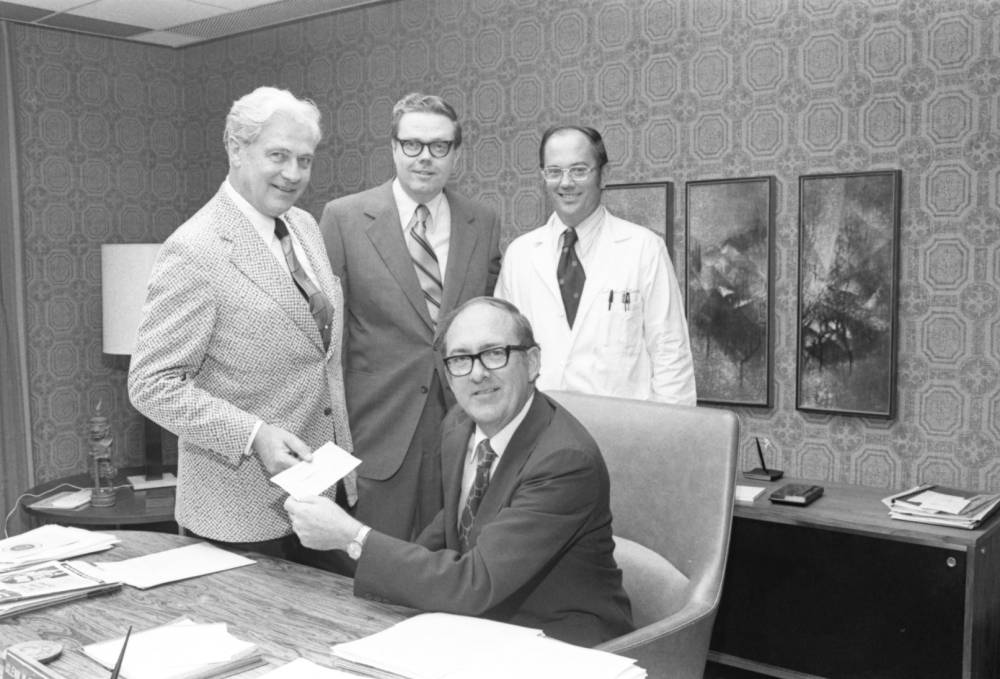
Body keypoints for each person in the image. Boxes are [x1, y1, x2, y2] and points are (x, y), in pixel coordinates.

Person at [285, 297, 634, 647]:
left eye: (495, 353)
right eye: (461, 359)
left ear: (531, 362)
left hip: (564, 645)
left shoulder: (564, 461)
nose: (478, 373)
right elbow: (447, 531)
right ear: (448, 374)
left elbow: (475, 583)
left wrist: (353, 537)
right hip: (481, 624)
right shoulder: (458, 426)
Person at [128, 86, 350, 562]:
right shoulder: (195, 249)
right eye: (278, 155)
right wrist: (254, 435)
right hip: (239, 512)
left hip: (322, 496)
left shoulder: (306, 226)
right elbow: (151, 384)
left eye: (305, 160)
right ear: (235, 147)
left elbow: (318, 353)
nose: (293, 174)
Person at [318, 93, 501, 541]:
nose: (425, 158)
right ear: (394, 148)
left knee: (453, 566)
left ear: (456, 153)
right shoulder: (343, 218)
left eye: (439, 147)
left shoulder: (483, 221)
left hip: (461, 430)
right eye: (413, 144)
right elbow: (323, 344)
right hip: (376, 434)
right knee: (371, 568)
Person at [496, 125, 697, 405]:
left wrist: (669, 438)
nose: (566, 182)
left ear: (604, 175)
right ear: (543, 176)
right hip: (538, 426)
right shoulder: (520, 254)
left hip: (622, 431)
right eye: (554, 171)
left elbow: (670, 352)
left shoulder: (643, 248)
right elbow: (501, 349)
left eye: (579, 170)